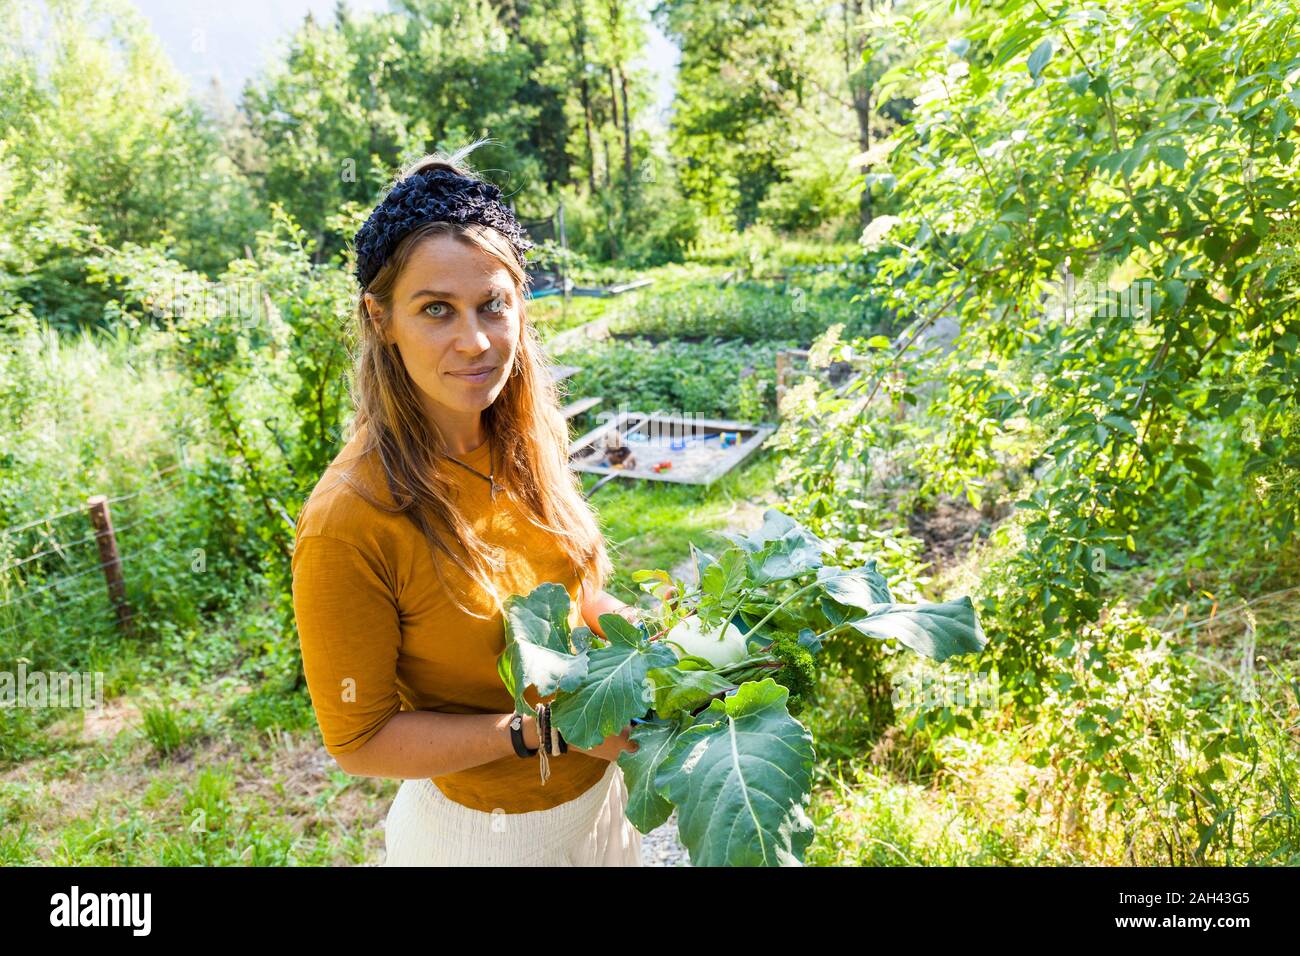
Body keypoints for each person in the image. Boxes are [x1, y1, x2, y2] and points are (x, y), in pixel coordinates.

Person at [291, 140, 644, 866]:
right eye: (435, 310)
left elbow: (575, 595)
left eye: (493, 305)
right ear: (380, 317)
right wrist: (548, 731)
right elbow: (359, 742)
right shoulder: (349, 520)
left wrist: (637, 640)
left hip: (602, 808)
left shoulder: (524, 437)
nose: (476, 341)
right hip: (487, 839)